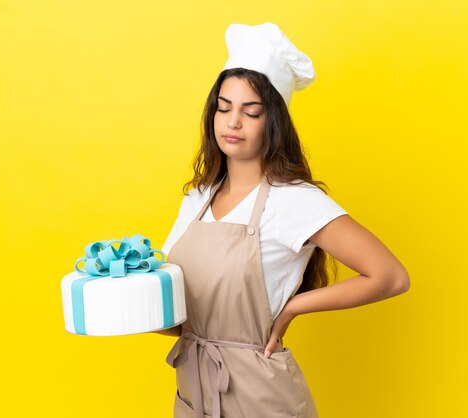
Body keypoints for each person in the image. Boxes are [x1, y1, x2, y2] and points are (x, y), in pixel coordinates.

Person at [155, 22, 410, 418]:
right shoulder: (198, 199)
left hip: (260, 397)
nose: (233, 122)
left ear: (272, 121)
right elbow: (177, 305)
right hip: (195, 389)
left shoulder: (293, 201)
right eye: (223, 107)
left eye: (250, 111)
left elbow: (391, 276)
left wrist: (293, 308)